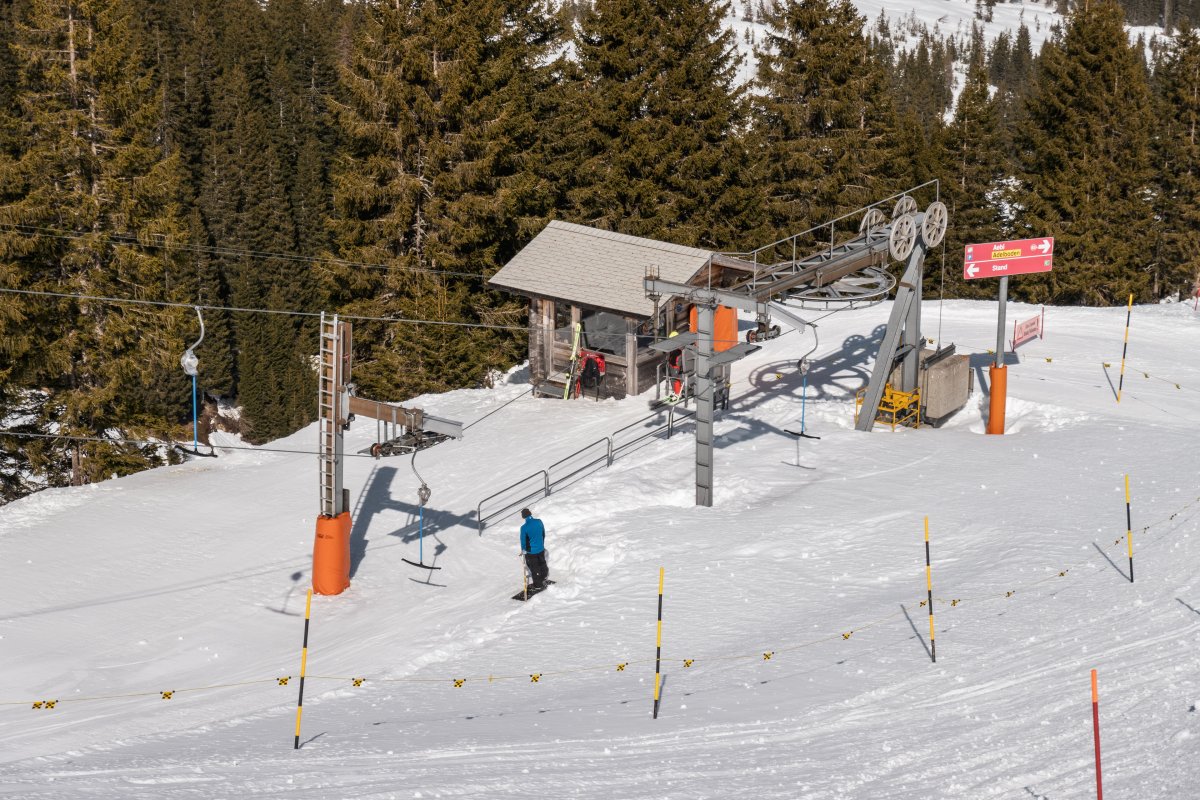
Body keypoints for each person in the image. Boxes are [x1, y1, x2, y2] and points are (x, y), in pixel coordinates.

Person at [520, 508, 549, 589]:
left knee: (534, 567)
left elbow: (523, 541)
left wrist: (524, 550)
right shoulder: (539, 521)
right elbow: (543, 533)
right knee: (542, 563)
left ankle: (538, 584)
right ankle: (544, 577)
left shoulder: (524, 527)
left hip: (531, 551)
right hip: (540, 548)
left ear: (523, 517)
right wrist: (541, 544)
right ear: (530, 514)